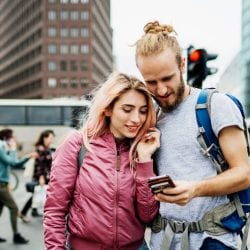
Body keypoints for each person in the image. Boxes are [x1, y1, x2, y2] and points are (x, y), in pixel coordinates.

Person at [134, 21, 250, 250]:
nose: (161, 90)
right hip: (163, 242)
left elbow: (244, 173)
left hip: (213, 241)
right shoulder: (148, 117)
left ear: (183, 65)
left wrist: (195, 188)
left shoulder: (216, 105)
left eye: (167, 78)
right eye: (151, 82)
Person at [44, 72, 160, 250]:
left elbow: (148, 216)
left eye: (143, 111)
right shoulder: (77, 144)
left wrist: (144, 160)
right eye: (127, 109)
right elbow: (54, 211)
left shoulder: (143, 149)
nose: (136, 119)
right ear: (107, 109)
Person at [0, 128, 37, 244]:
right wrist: (15, 150)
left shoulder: (4, 147)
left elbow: (13, 161)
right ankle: (16, 235)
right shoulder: (1, 147)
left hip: (3, 184)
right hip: (0, 185)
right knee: (14, 208)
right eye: (13, 137)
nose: (15, 139)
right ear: (7, 137)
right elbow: (14, 163)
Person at [20, 129, 55, 221]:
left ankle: (31, 211)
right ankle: (23, 212)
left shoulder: (46, 148)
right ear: (44, 138)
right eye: (50, 138)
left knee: (37, 193)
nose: (51, 140)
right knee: (38, 193)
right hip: (42, 176)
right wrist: (41, 177)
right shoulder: (41, 149)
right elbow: (40, 164)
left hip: (46, 175)